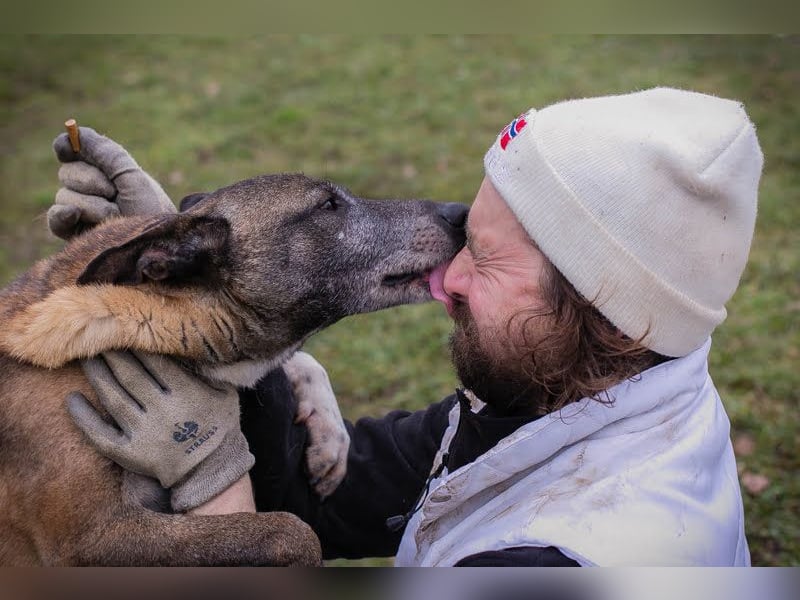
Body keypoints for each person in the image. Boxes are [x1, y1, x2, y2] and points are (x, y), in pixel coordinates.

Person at [49, 87, 762, 566]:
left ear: (603, 308)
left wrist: (213, 483)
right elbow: (332, 501)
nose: (445, 283)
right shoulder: (584, 388)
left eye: (484, 260)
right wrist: (216, 278)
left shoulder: (551, 558)